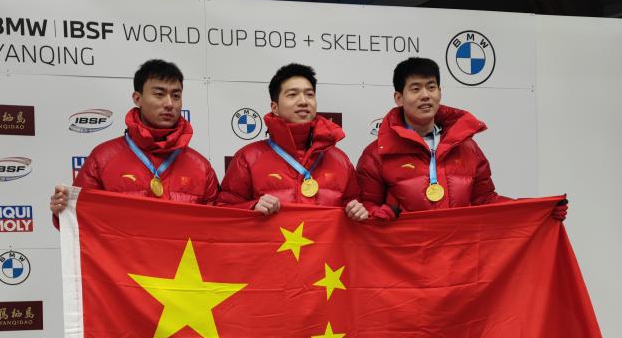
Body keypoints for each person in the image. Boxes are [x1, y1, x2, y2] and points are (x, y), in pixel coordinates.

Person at [356, 57, 568, 221]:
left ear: (440, 92)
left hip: (459, 259)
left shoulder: (468, 148)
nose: (425, 95)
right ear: (399, 98)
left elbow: (485, 200)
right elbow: (365, 208)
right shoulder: (377, 153)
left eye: (431, 87)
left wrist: (540, 211)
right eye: (415, 88)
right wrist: (376, 214)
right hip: (407, 259)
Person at [50, 59, 218, 217]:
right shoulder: (102, 159)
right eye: (159, 94)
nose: (169, 103)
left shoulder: (201, 167)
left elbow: (217, 228)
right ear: (137, 99)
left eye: (176, 96)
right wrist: (63, 212)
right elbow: (82, 222)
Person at [215, 63, 368, 221]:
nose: (303, 101)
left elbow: (356, 211)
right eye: (292, 94)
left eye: (309, 94)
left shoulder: (340, 160)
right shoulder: (248, 158)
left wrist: (357, 212)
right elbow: (222, 214)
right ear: (275, 107)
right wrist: (252, 207)